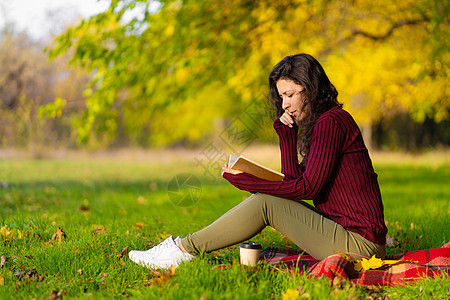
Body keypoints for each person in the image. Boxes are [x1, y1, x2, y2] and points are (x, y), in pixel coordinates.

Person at [129, 54, 388, 269]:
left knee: (265, 203)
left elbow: (308, 188)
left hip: (360, 246)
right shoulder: (325, 122)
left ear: (310, 89)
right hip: (346, 233)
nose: (284, 104)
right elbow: (294, 181)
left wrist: (250, 183)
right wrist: (287, 137)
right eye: (281, 97)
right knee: (267, 200)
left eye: (289, 94)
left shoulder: (331, 122)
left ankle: (182, 250)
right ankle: (182, 248)